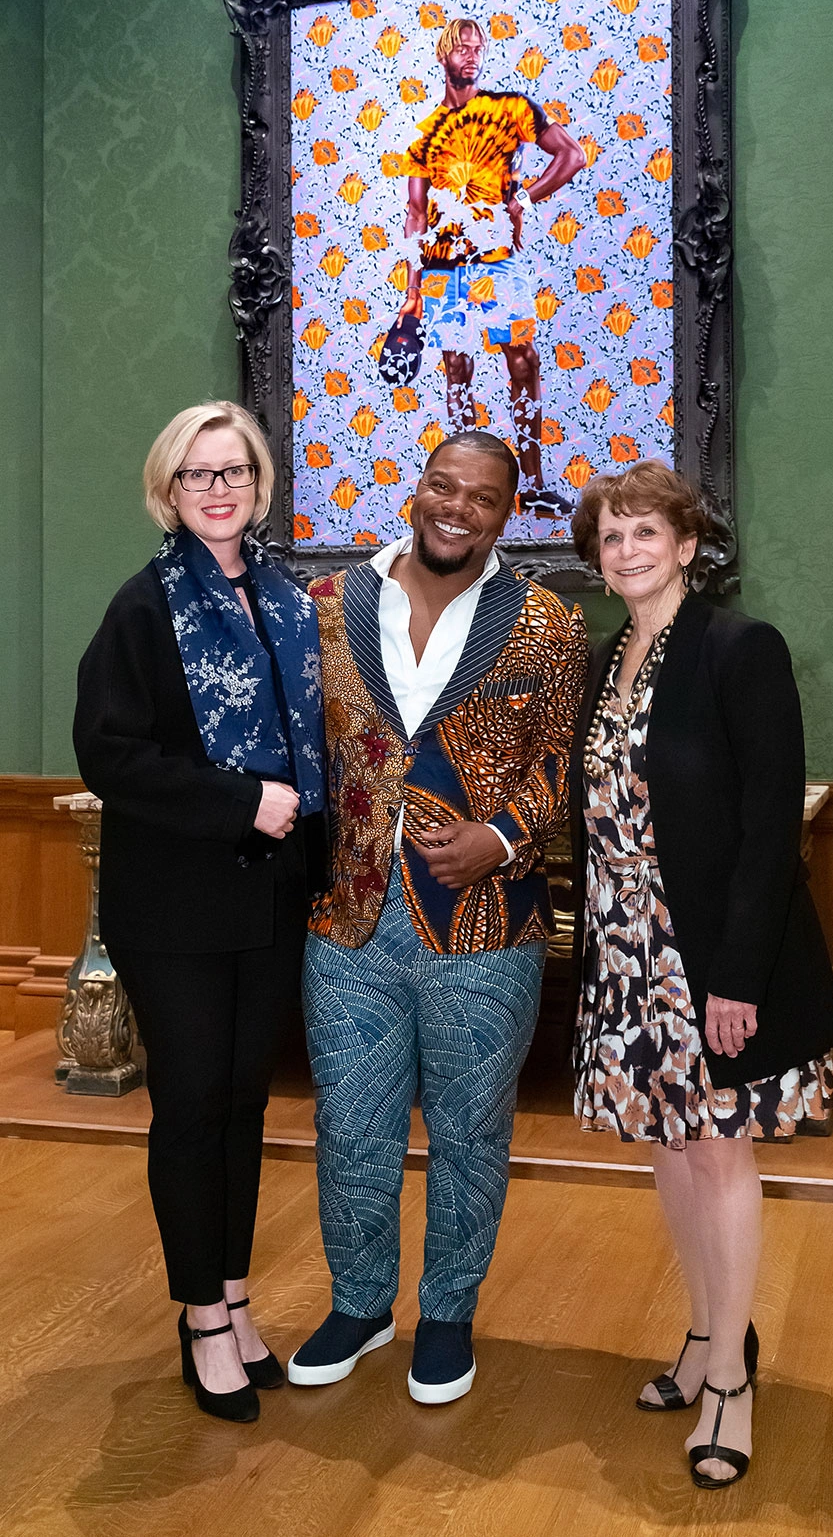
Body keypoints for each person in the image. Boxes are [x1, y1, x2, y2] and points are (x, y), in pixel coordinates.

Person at [288, 431, 589, 1404]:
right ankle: (362, 1304)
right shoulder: (326, 609)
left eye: (483, 498)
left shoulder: (550, 624)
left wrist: (498, 839)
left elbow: (560, 764)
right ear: (416, 490)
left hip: (486, 929)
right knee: (352, 1124)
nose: (456, 508)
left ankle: (448, 1312)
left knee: (469, 1130)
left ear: (510, 514)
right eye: (442, 486)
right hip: (349, 919)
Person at [568, 460, 833, 1488]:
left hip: (712, 953)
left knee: (722, 1151)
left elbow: (772, 824)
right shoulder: (608, 662)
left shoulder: (741, 650)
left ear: (688, 545)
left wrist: (735, 977)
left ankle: (730, 1372)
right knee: (672, 1150)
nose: (628, 550)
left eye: (647, 533)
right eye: (611, 537)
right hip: (625, 949)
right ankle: (701, 1331)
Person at [74, 401, 325, 1424]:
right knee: (188, 1109)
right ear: (167, 492)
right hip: (174, 903)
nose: (220, 491)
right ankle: (200, 1321)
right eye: (199, 476)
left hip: (265, 898)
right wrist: (241, 801)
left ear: (260, 486)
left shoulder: (286, 602)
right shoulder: (144, 608)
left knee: (243, 1104)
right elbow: (112, 756)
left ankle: (231, 1294)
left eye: (236, 473)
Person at [395, 18, 585, 516]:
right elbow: (416, 214)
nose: (472, 56)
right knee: (457, 371)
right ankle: (468, 491)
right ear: (443, 55)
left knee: (523, 362)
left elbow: (571, 155)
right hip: (441, 267)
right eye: (461, 49)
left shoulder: (511, 108)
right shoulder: (426, 134)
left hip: (496, 260)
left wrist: (524, 197)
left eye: (478, 49)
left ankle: (535, 483)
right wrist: (412, 291)